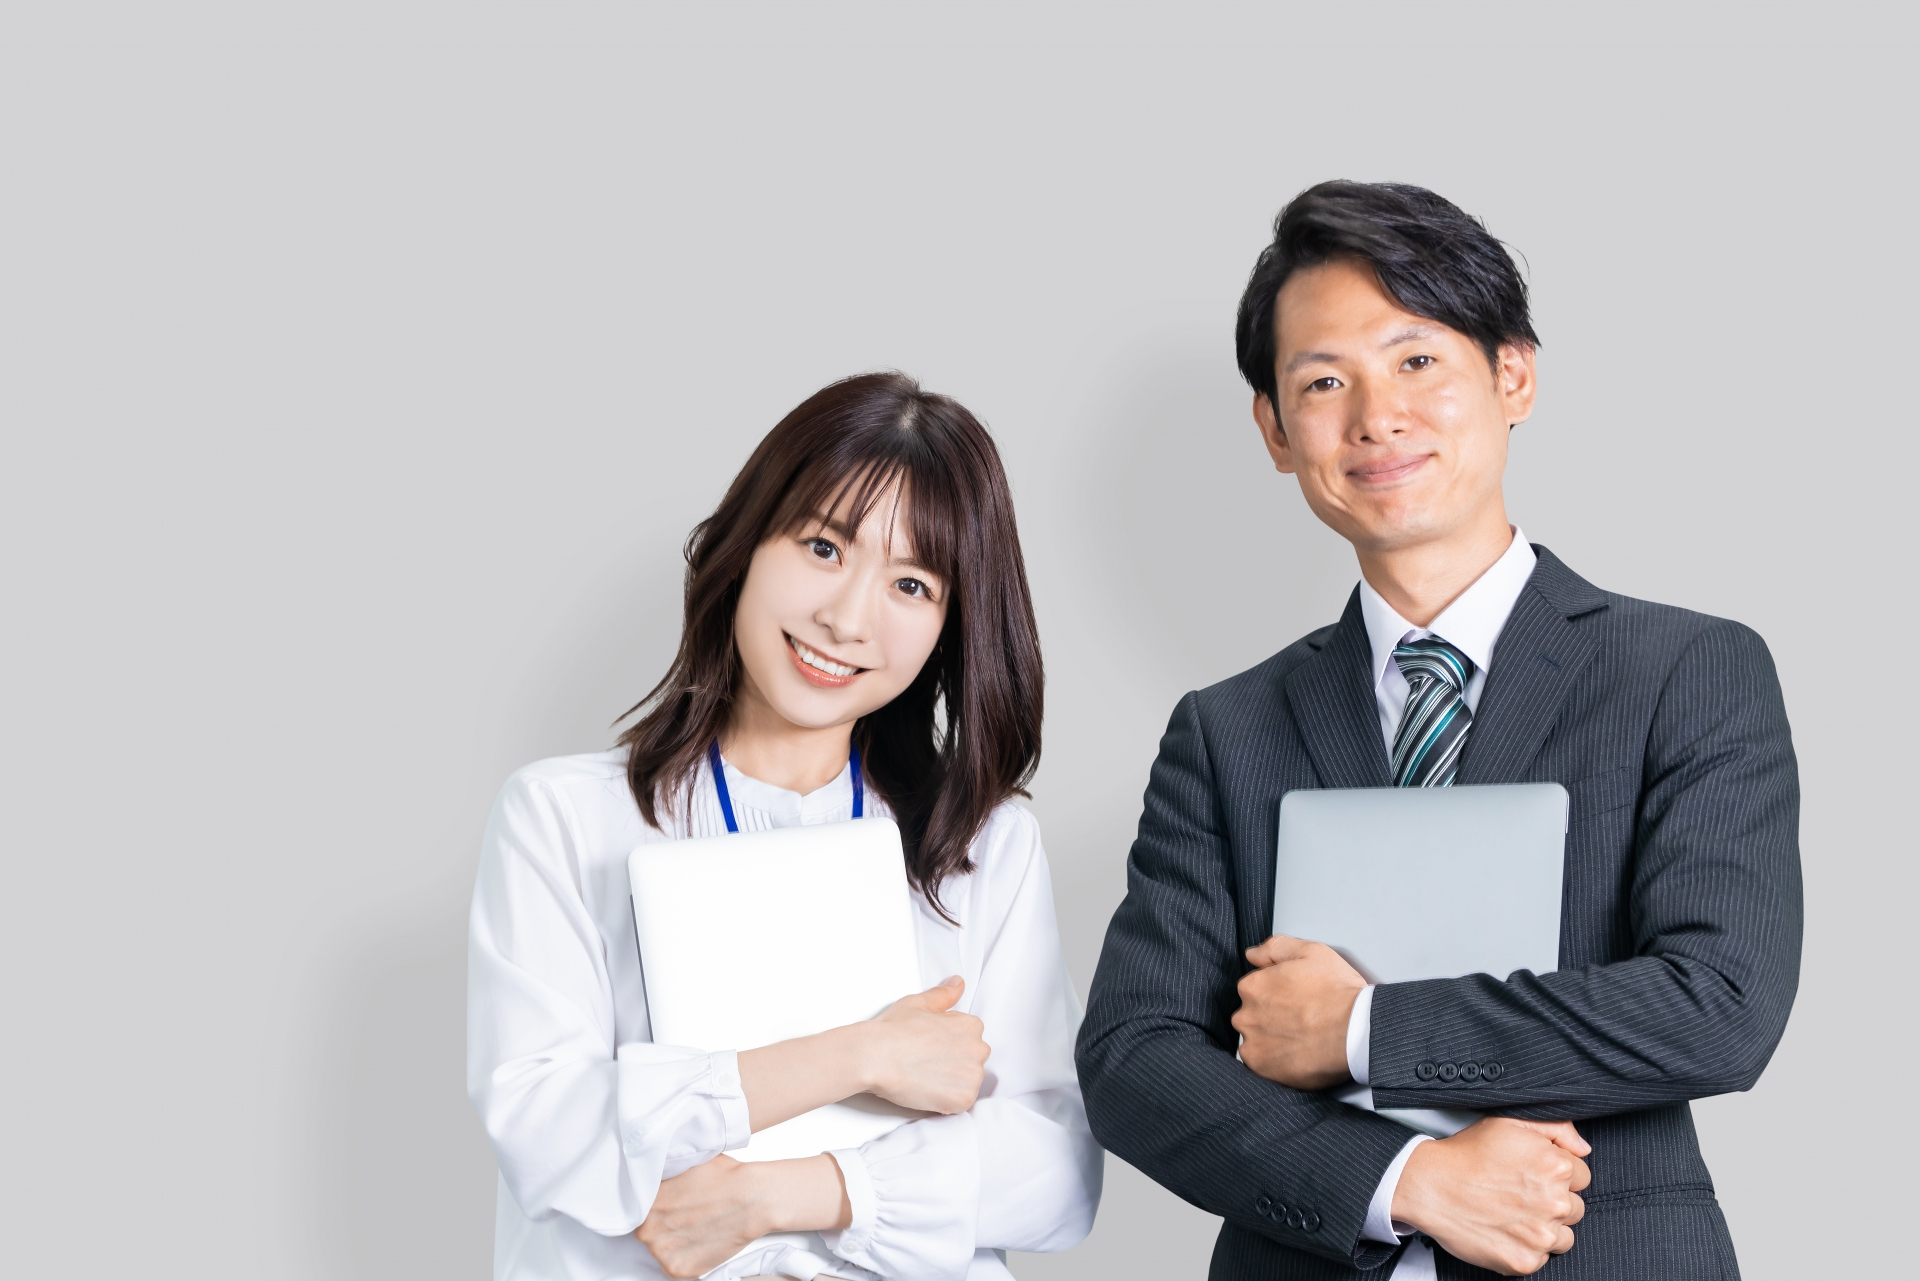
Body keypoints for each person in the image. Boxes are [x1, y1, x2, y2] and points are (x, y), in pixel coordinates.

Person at [1075, 182, 1801, 1279]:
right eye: (1325, 382)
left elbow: (1720, 1004)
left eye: (1416, 360)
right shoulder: (1227, 731)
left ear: (1514, 377)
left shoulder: (1685, 672)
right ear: (1275, 430)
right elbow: (1134, 1058)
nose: (1377, 417)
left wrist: (1361, 1030)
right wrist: (1406, 1181)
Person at [469, 372, 1101, 1281]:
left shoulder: (982, 845)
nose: (846, 618)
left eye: (911, 583)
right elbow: (547, 1128)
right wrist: (864, 1055)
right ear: (745, 544)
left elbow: (1057, 1170)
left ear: (950, 626)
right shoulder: (565, 819)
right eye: (823, 546)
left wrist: (794, 1192)